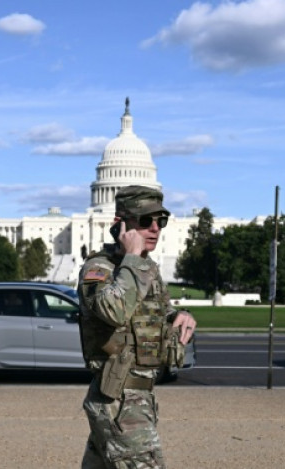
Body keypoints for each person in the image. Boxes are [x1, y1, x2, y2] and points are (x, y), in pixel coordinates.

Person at [77, 185, 197, 468]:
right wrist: (131, 257)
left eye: (160, 221)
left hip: (139, 396)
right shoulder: (99, 268)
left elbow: (156, 311)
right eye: (145, 221)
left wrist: (180, 315)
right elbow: (115, 311)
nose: (154, 228)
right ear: (121, 224)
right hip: (118, 399)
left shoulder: (147, 268)